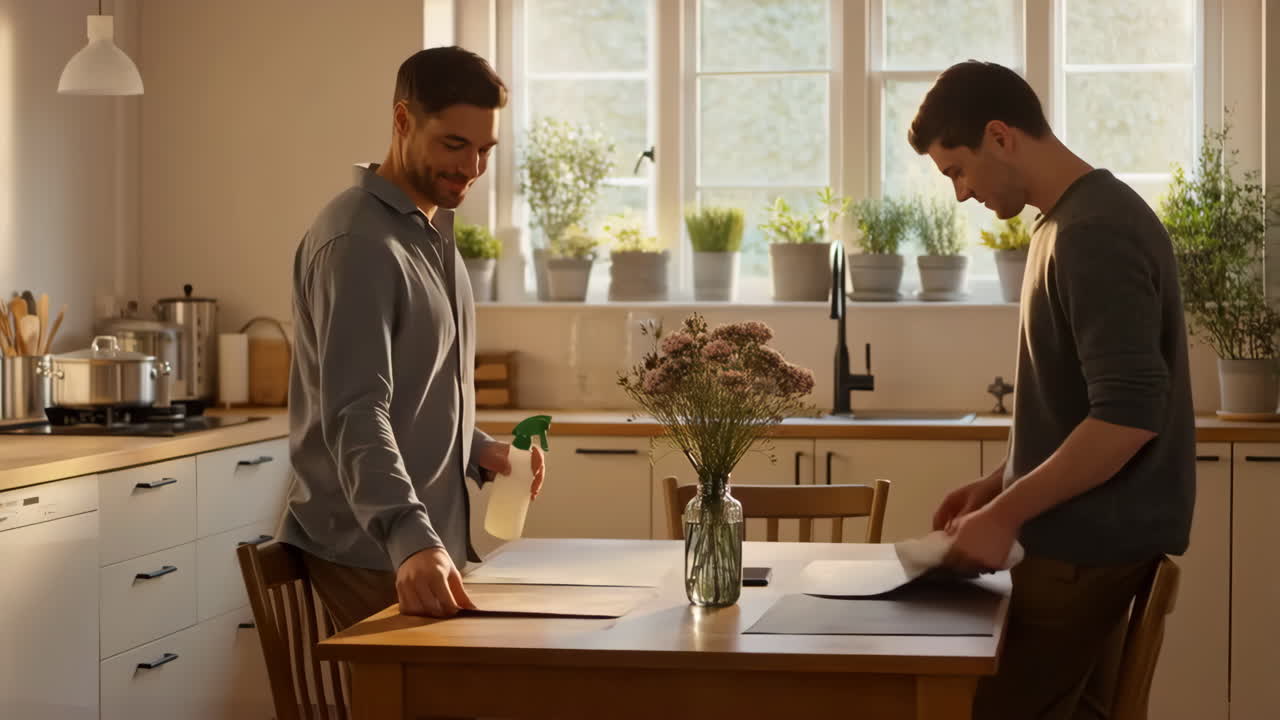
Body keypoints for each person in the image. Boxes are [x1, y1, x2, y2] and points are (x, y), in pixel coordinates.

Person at [909, 60, 1196, 719]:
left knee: (955, 704)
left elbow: (1127, 417)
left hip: (1080, 553)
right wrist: (1001, 480)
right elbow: (1080, 408)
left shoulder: (1093, 233)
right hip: (1078, 549)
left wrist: (1006, 513)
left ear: (1001, 137)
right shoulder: (1065, 224)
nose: (958, 193)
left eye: (957, 170)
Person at [279, 46, 545, 629]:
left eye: (484, 150)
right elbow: (356, 409)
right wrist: (409, 535)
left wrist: (479, 452)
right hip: (375, 551)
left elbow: (414, 393)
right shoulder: (358, 245)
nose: (472, 167)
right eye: (455, 144)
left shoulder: (426, 232)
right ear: (402, 121)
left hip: (419, 544)